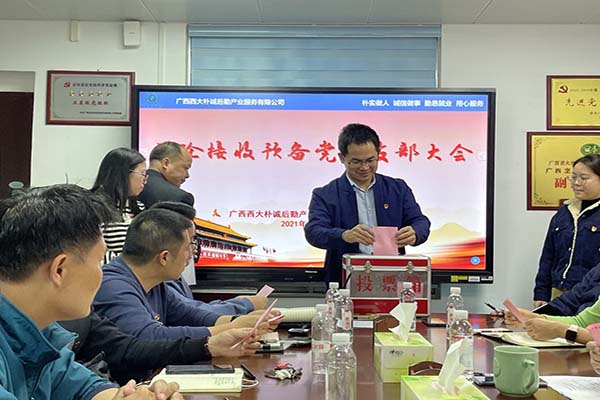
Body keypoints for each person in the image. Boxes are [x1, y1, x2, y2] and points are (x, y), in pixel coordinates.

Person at [0, 184, 181, 399]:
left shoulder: (41, 333)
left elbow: (86, 388)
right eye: (99, 262)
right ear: (60, 270)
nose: (102, 274)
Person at [93, 208, 278, 341]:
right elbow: (149, 337)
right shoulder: (113, 286)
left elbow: (190, 315)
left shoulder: (155, 284)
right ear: (164, 257)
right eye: (188, 247)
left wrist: (240, 322)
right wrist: (229, 328)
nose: (191, 255)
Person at [304, 123, 431, 285]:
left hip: (393, 277)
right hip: (344, 280)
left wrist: (415, 232)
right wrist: (344, 235)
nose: (364, 167)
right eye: (356, 162)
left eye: (371, 160)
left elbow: (420, 221)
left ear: (378, 154)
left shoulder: (397, 188)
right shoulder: (325, 194)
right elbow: (314, 231)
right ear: (342, 158)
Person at [59, 311, 260, 385]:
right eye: (97, 262)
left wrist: (208, 346)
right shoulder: (115, 286)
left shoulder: (80, 316)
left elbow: (127, 349)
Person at [150, 201, 267, 315]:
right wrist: (246, 304)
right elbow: (193, 312)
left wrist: (238, 303)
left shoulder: (173, 276)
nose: (194, 249)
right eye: (191, 241)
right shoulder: (162, 280)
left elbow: (192, 309)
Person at [533, 154, 600, 307]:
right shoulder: (564, 213)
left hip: (592, 296)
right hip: (559, 293)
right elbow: (548, 257)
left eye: (583, 178)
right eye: (573, 177)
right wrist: (541, 293)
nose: (576, 183)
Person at [91, 147, 147, 263]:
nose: (145, 180)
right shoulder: (94, 207)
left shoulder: (139, 207)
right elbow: (93, 255)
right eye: (142, 174)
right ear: (124, 174)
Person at [138, 141, 194, 207]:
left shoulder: (130, 185)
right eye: (186, 168)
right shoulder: (179, 198)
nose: (187, 175)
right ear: (166, 163)